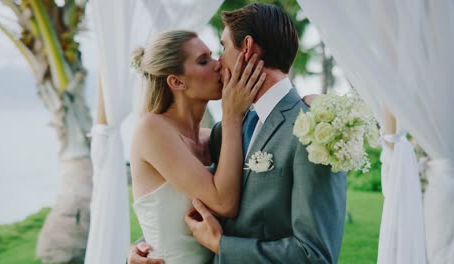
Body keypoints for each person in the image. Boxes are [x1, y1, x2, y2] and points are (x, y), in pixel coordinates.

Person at [129, 3, 347, 264]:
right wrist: (145, 246)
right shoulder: (226, 132)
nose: (219, 63)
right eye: (204, 60)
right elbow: (184, 207)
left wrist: (222, 245)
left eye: (221, 48)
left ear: (247, 48)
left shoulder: (315, 130)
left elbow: (315, 256)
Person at [128, 30, 266, 264]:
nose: (218, 64)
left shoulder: (210, 137)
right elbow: (224, 204)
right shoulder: (151, 129)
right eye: (203, 61)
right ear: (177, 81)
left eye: (213, 55)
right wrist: (231, 114)